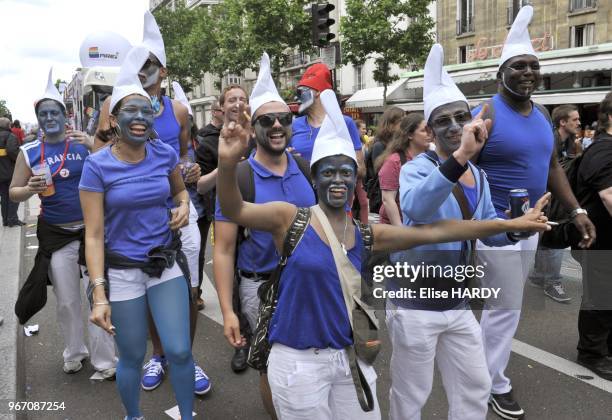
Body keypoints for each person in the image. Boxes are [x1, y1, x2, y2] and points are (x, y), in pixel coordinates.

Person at [216, 88, 551, 420]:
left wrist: (511, 224)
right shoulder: (289, 217)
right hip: (298, 362)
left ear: (355, 182)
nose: (338, 180)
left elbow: (441, 230)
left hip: (349, 359)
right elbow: (234, 208)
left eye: (346, 172)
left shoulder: (366, 234)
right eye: (328, 172)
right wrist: (228, 164)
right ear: (314, 179)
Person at [387, 43, 536, 420]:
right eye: (443, 121)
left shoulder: (479, 176)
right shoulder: (417, 169)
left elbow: (487, 231)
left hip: (457, 304)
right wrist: (460, 157)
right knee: (411, 393)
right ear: (430, 132)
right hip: (414, 303)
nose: (454, 126)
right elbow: (418, 208)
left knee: (475, 386)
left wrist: (518, 228)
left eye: (459, 117)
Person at [470, 6, 596, 419]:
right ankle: (491, 383)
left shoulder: (542, 114)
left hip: (531, 225)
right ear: (500, 72)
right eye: (519, 65)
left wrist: (575, 208)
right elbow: (462, 168)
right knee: (504, 308)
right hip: (496, 227)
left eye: (533, 66)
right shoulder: (487, 112)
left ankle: (480, 369)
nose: (528, 72)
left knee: (502, 306)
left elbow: (551, 167)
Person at [94, 12, 208, 395]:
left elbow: (184, 155)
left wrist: (187, 180)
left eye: (152, 65)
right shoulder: (115, 103)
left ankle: (185, 359)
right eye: (139, 65)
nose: (145, 71)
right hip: (130, 223)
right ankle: (157, 355)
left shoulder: (177, 109)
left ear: (163, 70)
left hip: (178, 215)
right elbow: (99, 158)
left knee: (188, 290)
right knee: (143, 295)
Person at [80, 46, 195, 420]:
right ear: (114, 118)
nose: (140, 118)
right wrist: (99, 294)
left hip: (165, 263)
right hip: (123, 272)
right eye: (131, 110)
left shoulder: (162, 153)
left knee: (179, 350)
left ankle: (189, 416)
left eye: (147, 110)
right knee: (131, 355)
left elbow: (178, 190)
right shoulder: (96, 167)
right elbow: (94, 235)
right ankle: (134, 416)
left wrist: (183, 205)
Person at [214, 52, 316, 419]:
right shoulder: (239, 177)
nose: (277, 126)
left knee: (311, 361)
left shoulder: (304, 168)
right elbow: (223, 250)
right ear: (253, 126)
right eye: (267, 120)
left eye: (284, 119)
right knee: (272, 367)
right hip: (260, 289)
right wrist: (228, 311)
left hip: (309, 283)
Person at [9, 68, 116, 377]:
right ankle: (74, 351)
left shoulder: (84, 143)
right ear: (39, 118)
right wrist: (28, 189)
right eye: (44, 113)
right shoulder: (29, 152)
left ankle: (106, 360)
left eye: (54, 111)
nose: (50, 117)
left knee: (98, 295)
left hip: (91, 233)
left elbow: (115, 170)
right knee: (68, 301)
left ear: (64, 114)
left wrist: (95, 146)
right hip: (56, 236)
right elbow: (14, 192)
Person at [196, 84, 254, 373]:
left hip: (256, 216)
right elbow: (201, 184)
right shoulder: (206, 140)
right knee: (231, 278)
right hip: (223, 215)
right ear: (220, 107)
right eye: (232, 99)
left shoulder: (259, 135)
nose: (238, 103)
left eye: (243, 99)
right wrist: (228, 163)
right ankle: (241, 341)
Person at [572, 92, 612, 381]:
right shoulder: (603, 151)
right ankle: (591, 353)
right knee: (600, 296)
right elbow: (610, 198)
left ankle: (605, 347)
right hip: (598, 238)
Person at [529, 104, 582, 303]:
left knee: (548, 235)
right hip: (545, 194)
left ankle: (538, 276)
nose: (579, 123)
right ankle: (552, 282)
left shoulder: (569, 142)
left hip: (554, 195)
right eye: (575, 119)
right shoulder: (551, 140)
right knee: (555, 234)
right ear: (562, 122)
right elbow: (549, 169)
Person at [374, 113, 429, 225]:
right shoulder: (394, 162)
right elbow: (388, 200)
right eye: (423, 130)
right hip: (396, 227)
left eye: (430, 130)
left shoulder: (432, 157)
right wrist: (401, 231)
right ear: (410, 135)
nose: (429, 134)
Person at [0, 117, 23, 226]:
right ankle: (12, 219)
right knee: (14, 195)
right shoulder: (10, 136)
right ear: (9, 126)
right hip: (10, 171)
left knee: (4, 197)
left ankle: (5, 220)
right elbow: (12, 151)